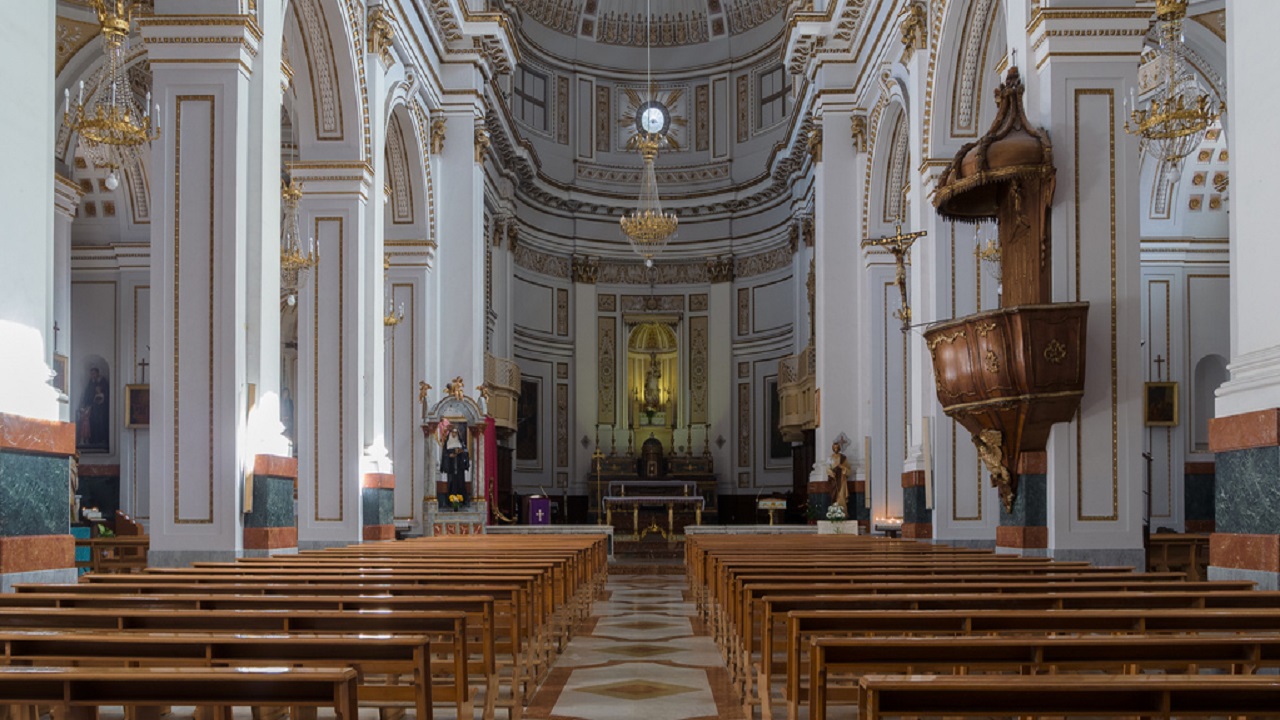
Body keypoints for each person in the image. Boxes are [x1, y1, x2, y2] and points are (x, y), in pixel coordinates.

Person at [78, 366, 109, 450]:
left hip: (101, 408)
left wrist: (102, 397)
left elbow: (106, 393)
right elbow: (88, 394)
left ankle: (101, 440)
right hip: (92, 407)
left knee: (101, 423)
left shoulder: (103, 381)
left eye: (94, 373)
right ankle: (93, 440)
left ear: (97, 373)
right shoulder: (91, 382)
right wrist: (85, 403)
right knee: (92, 423)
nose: (92, 375)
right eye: (91, 374)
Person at [440, 427, 471, 505]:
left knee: (460, 483)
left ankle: (462, 501)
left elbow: (466, 452)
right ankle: (451, 502)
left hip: (459, 468)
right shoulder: (447, 443)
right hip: (451, 468)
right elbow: (444, 455)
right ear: (450, 433)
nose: (454, 434)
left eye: (455, 433)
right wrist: (449, 455)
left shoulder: (461, 443)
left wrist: (461, 452)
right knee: (451, 484)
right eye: (453, 433)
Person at [827, 441, 852, 515]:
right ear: (832, 448)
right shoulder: (830, 458)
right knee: (834, 495)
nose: (836, 449)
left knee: (841, 495)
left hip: (841, 479)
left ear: (839, 448)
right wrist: (831, 473)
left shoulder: (843, 458)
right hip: (834, 480)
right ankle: (834, 512)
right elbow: (827, 468)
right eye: (834, 448)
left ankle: (843, 513)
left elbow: (849, 469)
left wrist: (843, 468)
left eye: (837, 447)